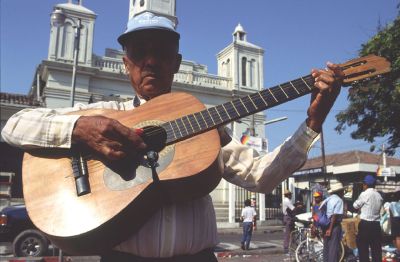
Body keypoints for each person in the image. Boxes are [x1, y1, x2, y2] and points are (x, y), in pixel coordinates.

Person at [1, 11, 344, 261]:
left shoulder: (206, 123)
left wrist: (313, 120)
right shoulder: (107, 112)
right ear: (126, 63)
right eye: (139, 52)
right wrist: (79, 129)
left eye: (161, 52)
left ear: (176, 62)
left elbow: (260, 175)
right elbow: (14, 125)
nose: (150, 61)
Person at [353, 175, 383, 262]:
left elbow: (355, 205)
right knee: (376, 250)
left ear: (365, 184)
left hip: (365, 225)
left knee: (363, 250)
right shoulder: (379, 195)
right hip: (376, 225)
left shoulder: (364, 194)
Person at [321, 181, 345, 262]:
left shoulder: (328, 199)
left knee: (326, 248)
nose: (343, 193)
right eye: (342, 191)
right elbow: (334, 216)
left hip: (325, 225)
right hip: (333, 226)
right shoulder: (339, 200)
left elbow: (320, 210)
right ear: (339, 191)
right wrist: (330, 229)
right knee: (333, 249)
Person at [282, 189, 304, 253]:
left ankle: (293, 247)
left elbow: (291, 207)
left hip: (289, 217)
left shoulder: (287, 200)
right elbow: (293, 209)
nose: (291, 196)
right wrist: (299, 206)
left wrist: (296, 204)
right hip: (288, 217)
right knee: (288, 234)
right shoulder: (287, 201)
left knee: (292, 233)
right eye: (290, 195)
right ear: (288, 195)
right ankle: (286, 248)